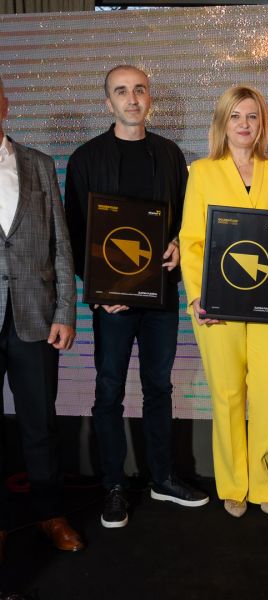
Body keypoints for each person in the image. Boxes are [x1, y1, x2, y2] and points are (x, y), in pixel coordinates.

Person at [64, 65, 208, 529]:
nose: (132, 99)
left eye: (139, 90)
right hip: (112, 303)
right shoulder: (85, 158)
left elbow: (185, 222)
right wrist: (97, 290)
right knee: (108, 390)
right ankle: (113, 485)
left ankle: (162, 477)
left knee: (159, 388)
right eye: (121, 91)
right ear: (108, 102)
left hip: (160, 296)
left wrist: (178, 245)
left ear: (150, 98)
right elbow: (73, 234)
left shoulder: (169, 154)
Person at [180, 86, 268, 518]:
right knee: (227, 394)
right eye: (236, 116)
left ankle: (263, 485)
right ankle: (232, 485)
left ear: (262, 123)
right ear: (222, 123)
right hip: (217, 305)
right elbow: (192, 240)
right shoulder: (202, 172)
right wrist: (197, 296)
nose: (245, 124)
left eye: (253, 116)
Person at [0, 75, 83, 558]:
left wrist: (66, 311)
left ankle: (51, 515)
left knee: (40, 423)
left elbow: (61, 246)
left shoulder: (39, 164)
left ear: (5, 105)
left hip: (35, 315)